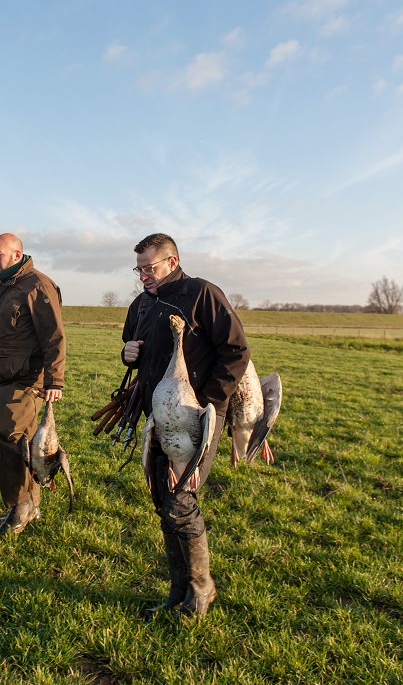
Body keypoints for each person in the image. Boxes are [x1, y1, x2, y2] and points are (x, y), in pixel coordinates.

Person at [121, 233, 250, 617]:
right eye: (139, 269)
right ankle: (177, 594)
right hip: (156, 417)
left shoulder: (202, 294)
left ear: (172, 263)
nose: (143, 275)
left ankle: (201, 590)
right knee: (164, 502)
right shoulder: (142, 305)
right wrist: (127, 353)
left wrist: (208, 405)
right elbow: (134, 348)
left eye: (150, 268)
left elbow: (236, 351)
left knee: (179, 501)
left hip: (198, 419)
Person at [0, 233, 65, 535]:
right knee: (23, 443)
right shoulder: (5, 286)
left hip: (28, 378)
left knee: (3, 434)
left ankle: (19, 504)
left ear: (16, 255)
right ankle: (32, 505)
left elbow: (54, 336)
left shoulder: (37, 286)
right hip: (7, 376)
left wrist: (55, 381)